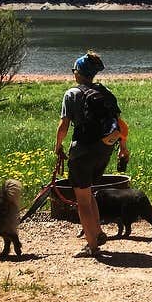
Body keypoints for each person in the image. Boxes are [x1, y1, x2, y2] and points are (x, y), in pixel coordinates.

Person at [54, 50, 130, 258]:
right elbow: (120, 125)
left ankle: (92, 246)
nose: (73, 73)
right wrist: (123, 149)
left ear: (78, 72)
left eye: (74, 70)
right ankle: (97, 232)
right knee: (89, 193)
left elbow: (63, 126)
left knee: (83, 201)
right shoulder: (105, 93)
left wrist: (58, 146)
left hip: (82, 151)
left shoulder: (72, 94)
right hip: (104, 149)